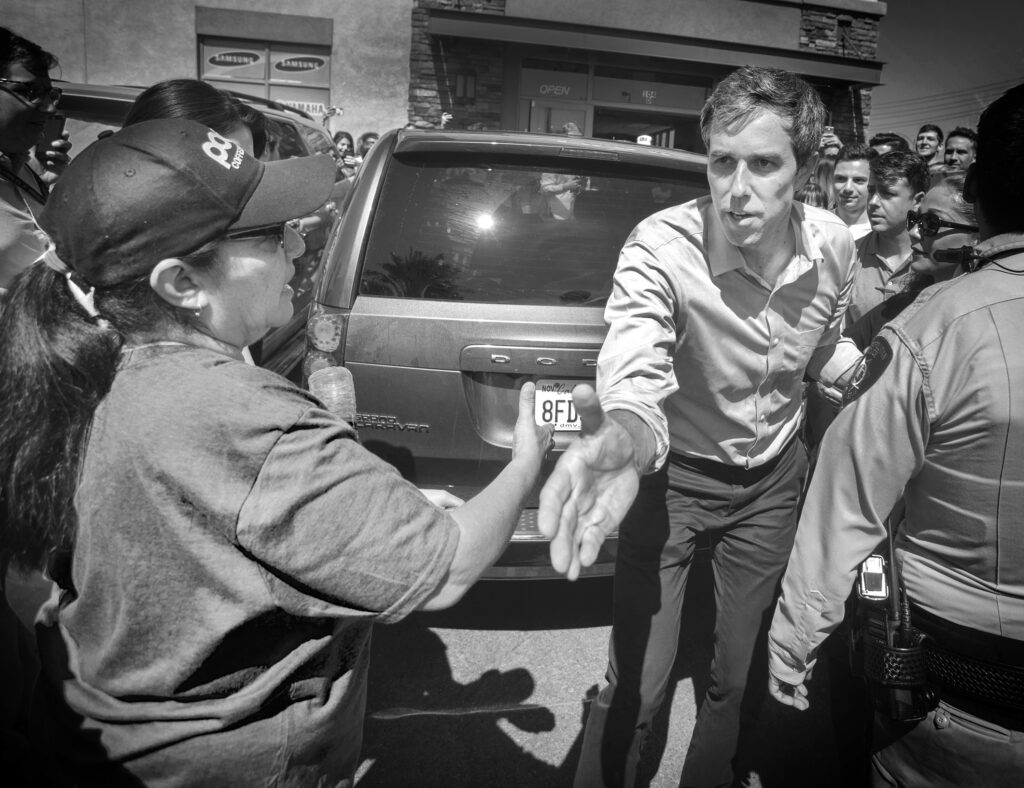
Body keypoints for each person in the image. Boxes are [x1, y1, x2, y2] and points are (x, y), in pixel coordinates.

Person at [0, 118, 553, 785]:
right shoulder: (240, 416)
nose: (300, 243)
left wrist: (376, 505)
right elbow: (449, 566)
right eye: (268, 233)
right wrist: (527, 458)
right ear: (181, 283)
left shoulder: (88, 363)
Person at [539, 65, 862, 788]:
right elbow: (633, 372)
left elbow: (823, 348)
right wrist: (622, 441)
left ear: (806, 171)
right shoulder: (661, 247)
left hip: (773, 483)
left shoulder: (836, 245)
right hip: (671, 476)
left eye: (764, 164)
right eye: (722, 162)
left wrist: (858, 374)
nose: (737, 188)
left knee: (735, 679)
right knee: (641, 685)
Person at [767, 81, 1024, 788]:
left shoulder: (934, 327)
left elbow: (847, 501)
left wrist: (792, 645)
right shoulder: (895, 303)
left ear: (973, 191)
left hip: (956, 714)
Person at [0, 26, 71, 297]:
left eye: (50, 94)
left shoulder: (26, 169)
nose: (49, 107)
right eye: (30, 91)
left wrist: (48, 188)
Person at [844, 150, 929, 327]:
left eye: (887, 193)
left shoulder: (934, 260)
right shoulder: (849, 256)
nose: (873, 201)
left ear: (918, 200)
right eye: (871, 191)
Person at [540, 122, 587, 221]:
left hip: (575, 216)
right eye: (573, 139)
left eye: (579, 139)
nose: (577, 143)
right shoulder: (553, 163)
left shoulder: (582, 162)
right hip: (555, 217)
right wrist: (565, 187)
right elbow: (544, 189)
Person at [831, 144, 875, 240]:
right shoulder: (816, 224)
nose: (848, 188)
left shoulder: (884, 233)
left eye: (858, 180)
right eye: (841, 179)